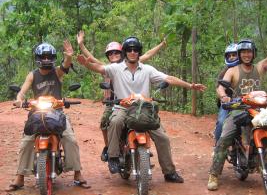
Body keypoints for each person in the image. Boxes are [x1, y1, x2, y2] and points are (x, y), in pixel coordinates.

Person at [77, 36, 206, 183]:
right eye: (130, 50)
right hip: (123, 107)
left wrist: (190, 86)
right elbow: (99, 68)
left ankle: (169, 172)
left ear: (139, 52)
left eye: (136, 50)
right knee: (115, 122)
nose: (133, 52)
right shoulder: (116, 69)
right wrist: (86, 65)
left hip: (144, 108)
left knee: (163, 137)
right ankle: (113, 157)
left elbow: (168, 78)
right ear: (125, 52)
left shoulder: (147, 69)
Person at [207, 17, 267, 191]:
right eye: (243, 52)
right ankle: (214, 174)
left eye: (249, 52)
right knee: (225, 136)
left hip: (259, 111)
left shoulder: (260, 67)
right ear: (240, 54)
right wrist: (224, 97)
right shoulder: (232, 70)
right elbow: (221, 86)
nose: (246, 55)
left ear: (253, 53)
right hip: (238, 110)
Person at [5, 41, 90, 192]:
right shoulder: (32, 75)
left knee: (70, 139)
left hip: (57, 113)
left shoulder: (57, 72)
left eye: (48, 57)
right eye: (43, 57)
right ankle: (20, 176)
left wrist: (69, 56)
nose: (45, 60)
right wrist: (19, 100)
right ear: (38, 58)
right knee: (26, 142)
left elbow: (65, 65)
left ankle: (77, 174)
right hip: (37, 114)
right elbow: (22, 91)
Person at [77, 30, 167, 161]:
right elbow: (91, 60)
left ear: (122, 53)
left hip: (133, 102)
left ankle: (140, 147)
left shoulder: (132, 61)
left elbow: (147, 54)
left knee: (144, 121)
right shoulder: (107, 67)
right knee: (105, 123)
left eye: (116, 52)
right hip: (112, 102)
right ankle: (108, 147)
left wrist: (161, 45)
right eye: (111, 53)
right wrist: (81, 45)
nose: (114, 55)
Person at [214, 43, 239, 144]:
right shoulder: (225, 71)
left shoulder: (247, 68)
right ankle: (218, 146)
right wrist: (223, 97)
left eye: (234, 54)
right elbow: (218, 88)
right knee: (221, 122)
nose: (232, 57)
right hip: (228, 101)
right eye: (229, 55)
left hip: (246, 100)